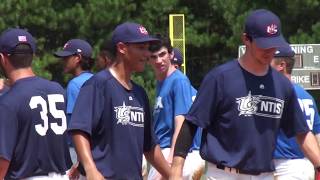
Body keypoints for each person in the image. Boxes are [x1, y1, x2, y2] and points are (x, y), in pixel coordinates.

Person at [170, 9, 320, 180]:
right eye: (264, 44)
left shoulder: (282, 86)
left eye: (274, 43)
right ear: (246, 39)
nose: (270, 50)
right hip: (223, 173)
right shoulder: (221, 78)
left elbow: (301, 132)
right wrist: (176, 171)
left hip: (264, 175)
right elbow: (191, 124)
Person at [68, 22, 170, 180]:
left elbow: (149, 146)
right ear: (122, 48)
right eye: (141, 48)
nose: (147, 54)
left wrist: (172, 175)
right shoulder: (98, 84)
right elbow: (79, 130)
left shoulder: (140, 93)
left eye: (147, 48)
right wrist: (90, 169)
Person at [0, 28, 72, 179]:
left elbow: (3, 160)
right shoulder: (57, 90)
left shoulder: (8, 101)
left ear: (2, 58)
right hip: (61, 175)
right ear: (32, 56)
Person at [148, 35, 204, 180]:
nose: (159, 60)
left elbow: (181, 123)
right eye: (154, 57)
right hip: (162, 152)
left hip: (171, 153)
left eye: (162, 54)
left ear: (171, 54)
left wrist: (171, 163)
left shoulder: (178, 81)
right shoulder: (162, 81)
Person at [271, 45, 320, 179]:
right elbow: (317, 135)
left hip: (287, 166)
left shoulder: (278, 94)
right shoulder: (307, 96)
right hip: (305, 165)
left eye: (269, 60)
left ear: (281, 65)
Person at [54, 39, 94, 164]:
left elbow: (74, 125)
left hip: (78, 150)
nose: (63, 62)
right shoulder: (98, 80)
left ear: (77, 58)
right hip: (97, 147)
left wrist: (79, 162)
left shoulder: (74, 84)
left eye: (66, 58)